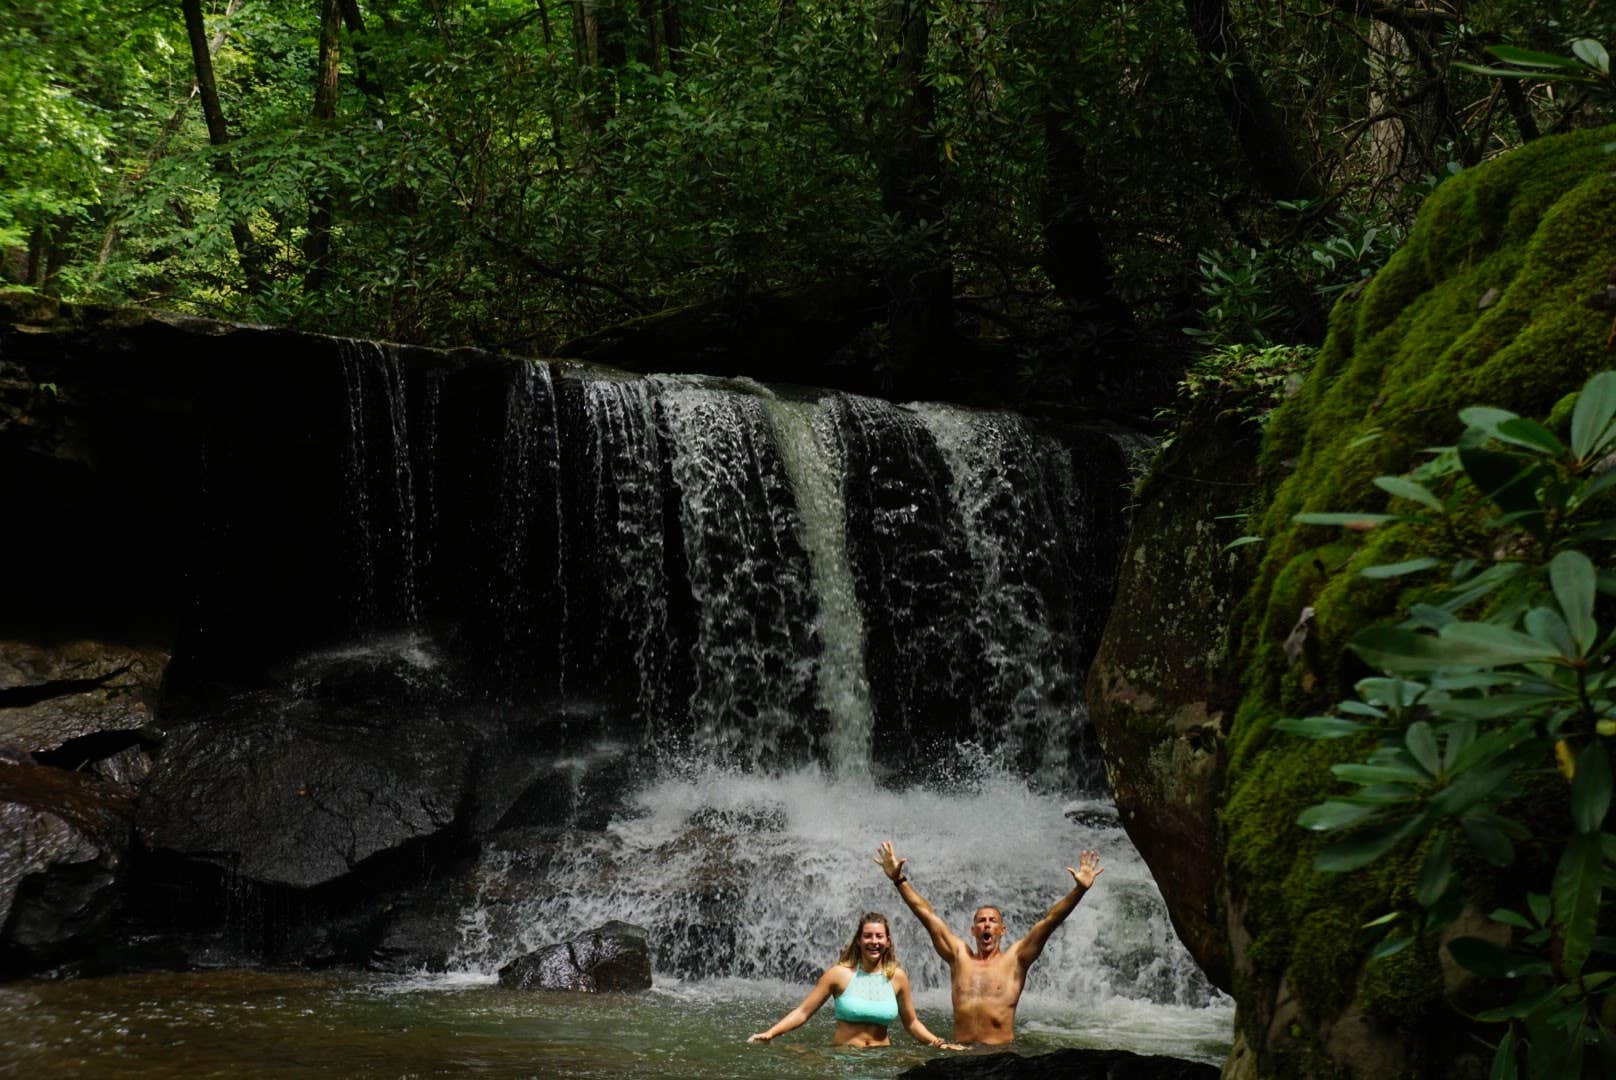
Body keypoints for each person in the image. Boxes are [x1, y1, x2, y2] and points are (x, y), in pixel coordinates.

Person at [876, 840, 1103, 1045]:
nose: (986, 925)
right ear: (973, 930)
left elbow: (1050, 920)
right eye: (981, 921)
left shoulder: (1016, 959)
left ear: (1001, 930)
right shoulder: (959, 956)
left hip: (1000, 1059)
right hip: (960, 1054)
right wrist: (899, 880)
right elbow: (927, 915)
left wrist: (1079, 890)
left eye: (992, 921)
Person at [747, 912, 962, 1050]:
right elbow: (803, 1012)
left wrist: (939, 1043)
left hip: (881, 1059)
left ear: (888, 942)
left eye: (879, 937)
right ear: (859, 941)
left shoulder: (897, 977)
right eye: (868, 936)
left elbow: (912, 1023)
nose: (874, 942)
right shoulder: (839, 974)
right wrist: (771, 1033)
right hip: (845, 1059)